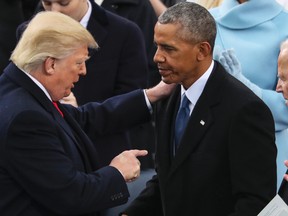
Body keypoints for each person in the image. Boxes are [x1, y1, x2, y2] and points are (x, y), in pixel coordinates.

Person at [0, 11, 174, 216]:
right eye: (78, 63)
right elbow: (71, 196)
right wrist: (117, 172)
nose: (83, 71)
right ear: (51, 64)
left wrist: (152, 95)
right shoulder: (26, 118)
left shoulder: (20, 91)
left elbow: (82, 118)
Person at [121, 2, 277, 216]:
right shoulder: (168, 99)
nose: (157, 56)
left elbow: (255, 202)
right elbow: (167, 180)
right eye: (157, 46)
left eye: (168, 48)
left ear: (202, 50)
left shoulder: (245, 110)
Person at [23, 0, 148, 168]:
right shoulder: (29, 32)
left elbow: (129, 104)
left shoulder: (125, 32)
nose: (55, 11)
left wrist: (77, 112)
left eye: (64, 3)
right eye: (47, 3)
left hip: (103, 158)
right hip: (46, 157)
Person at [209, 0, 288, 189]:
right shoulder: (206, 21)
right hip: (214, 143)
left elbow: (285, 108)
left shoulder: (285, 24)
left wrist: (242, 85)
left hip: (266, 147)